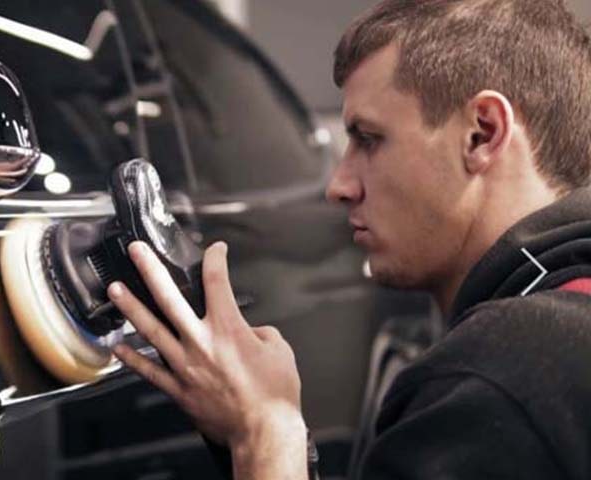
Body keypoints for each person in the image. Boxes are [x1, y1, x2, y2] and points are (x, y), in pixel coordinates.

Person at [106, 0, 591, 478]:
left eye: (369, 139)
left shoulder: (495, 382)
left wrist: (265, 432)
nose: (338, 186)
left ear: (482, 133)